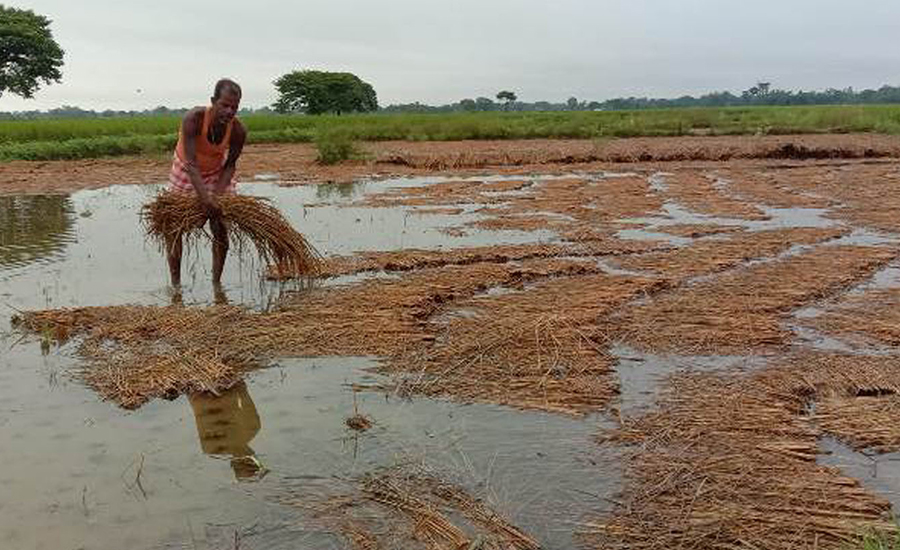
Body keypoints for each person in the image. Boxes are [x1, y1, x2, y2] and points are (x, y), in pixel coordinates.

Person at [166, 78, 247, 288]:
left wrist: (216, 199)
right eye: (225, 105)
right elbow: (191, 164)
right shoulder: (194, 118)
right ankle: (176, 284)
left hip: (216, 170)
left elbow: (230, 166)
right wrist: (205, 201)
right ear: (213, 101)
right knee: (173, 228)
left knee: (220, 225)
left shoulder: (238, 130)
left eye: (235, 107)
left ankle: (216, 283)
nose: (230, 111)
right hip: (186, 167)